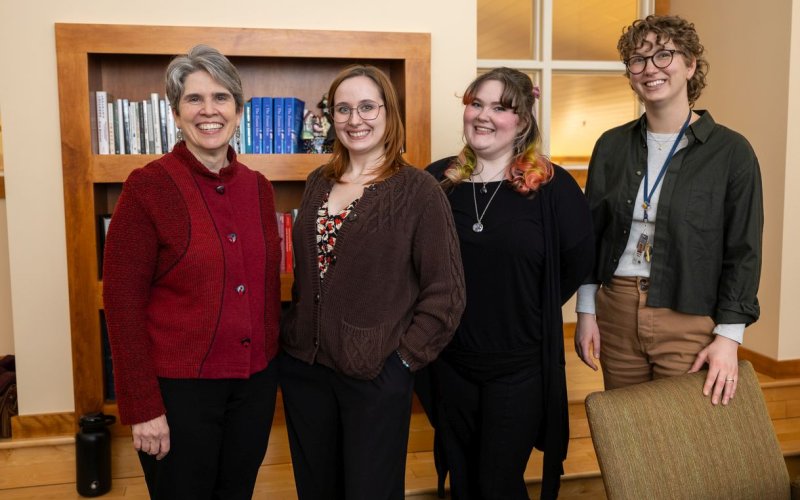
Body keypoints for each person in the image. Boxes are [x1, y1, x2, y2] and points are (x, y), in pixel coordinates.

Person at [279, 64, 466, 500]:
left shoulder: (420, 190)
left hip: (375, 374)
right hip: (305, 370)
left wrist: (402, 362)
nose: (354, 119)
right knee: (316, 490)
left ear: (388, 113)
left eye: (366, 106)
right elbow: (310, 277)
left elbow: (447, 295)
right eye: (342, 109)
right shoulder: (317, 183)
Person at [103, 45, 282, 499]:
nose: (209, 110)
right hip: (179, 393)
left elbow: (265, 290)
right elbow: (122, 303)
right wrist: (143, 406)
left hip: (252, 388)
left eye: (221, 98)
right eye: (194, 99)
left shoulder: (258, 189)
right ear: (176, 113)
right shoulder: (147, 187)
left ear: (239, 110)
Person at [574, 15, 763, 407]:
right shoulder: (609, 146)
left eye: (664, 55)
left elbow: (743, 251)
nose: (650, 69)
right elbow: (591, 236)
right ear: (630, 75)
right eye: (638, 60)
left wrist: (729, 337)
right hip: (617, 311)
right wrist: (586, 312)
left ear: (690, 64)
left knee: (684, 444)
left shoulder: (731, 152)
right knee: (627, 441)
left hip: (689, 313)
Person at [425, 67, 594, 499]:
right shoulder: (436, 182)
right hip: (450, 363)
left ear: (521, 121)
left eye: (500, 107)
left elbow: (579, 259)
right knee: (463, 480)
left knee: (498, 483)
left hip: (519, 367)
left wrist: (533, 303)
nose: (483, 116)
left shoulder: (552, 188)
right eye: (476, 104)